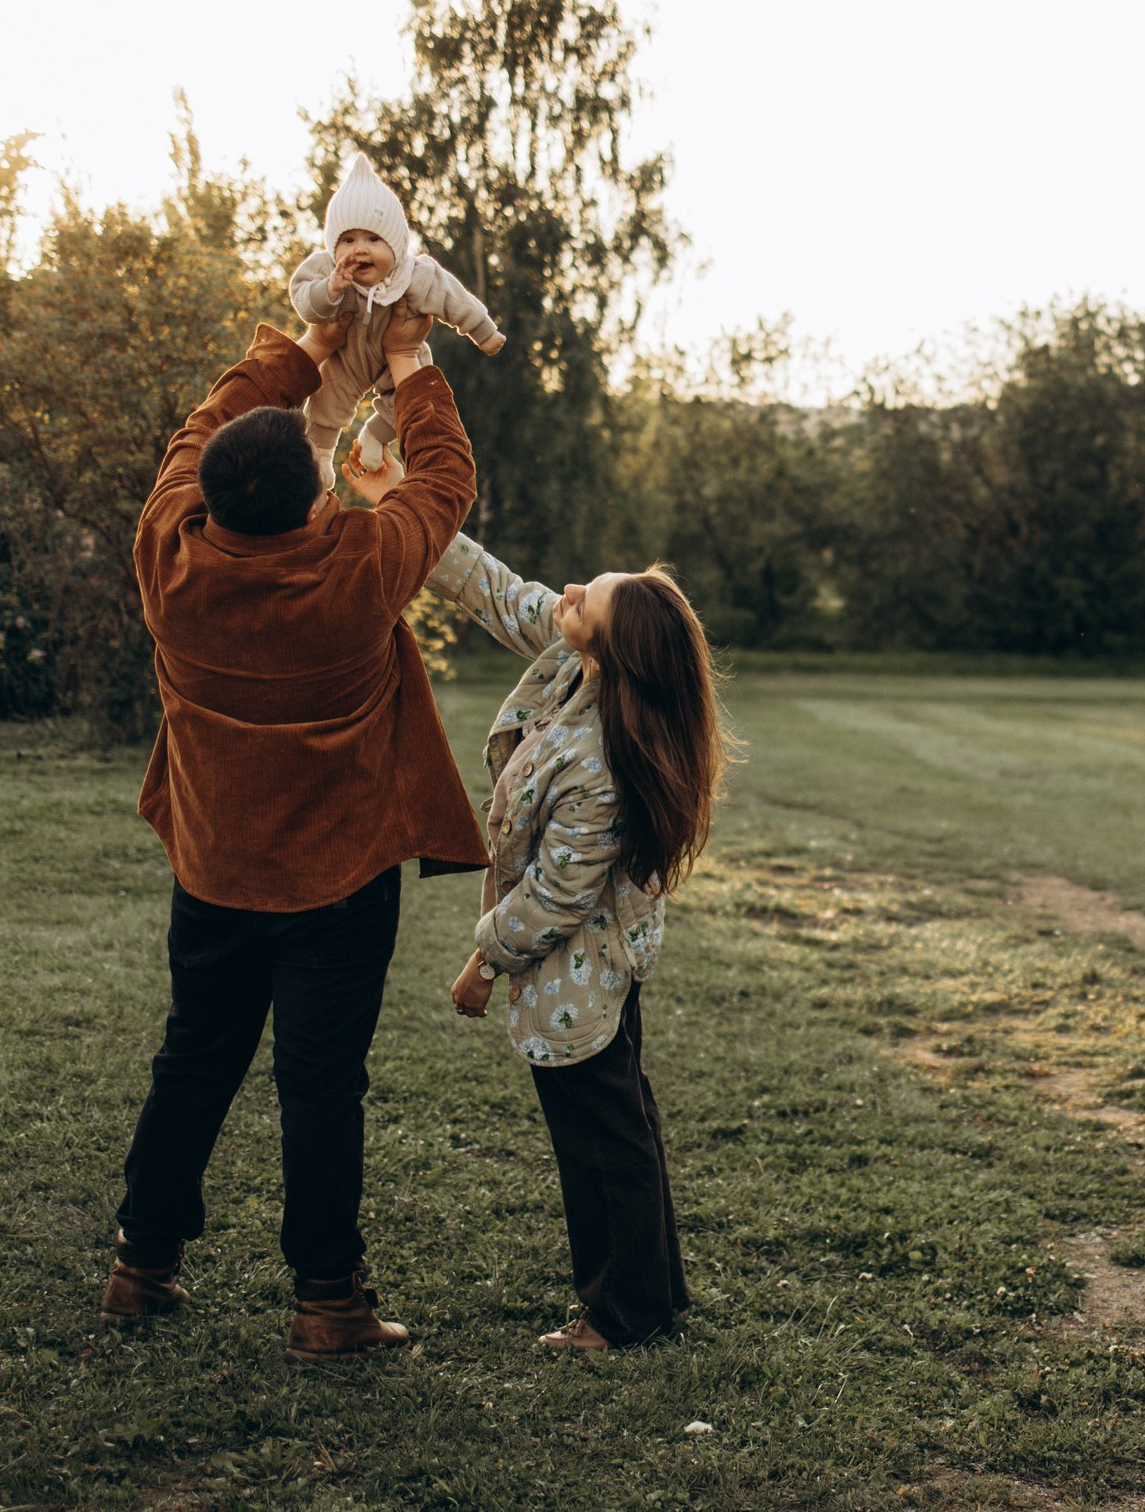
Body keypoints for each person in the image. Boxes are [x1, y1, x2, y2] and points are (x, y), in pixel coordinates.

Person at [104, 302, 490, 1364]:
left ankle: (140, 1266)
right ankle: (328, 1303)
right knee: (321, 1084)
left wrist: (304, 353)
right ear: (314, 493)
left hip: (216, 869)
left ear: (214, 498)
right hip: (338, 881)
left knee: (194, 1058)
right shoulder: (356, 568)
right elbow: (445, 483)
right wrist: (408, 362)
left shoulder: (169, 558)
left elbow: (196, 435)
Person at [350, 452, 725, 1349]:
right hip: (580, 959)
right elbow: (491, 587)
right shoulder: (576, 662)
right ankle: (650, 1296)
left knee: (601, 1138)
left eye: (579, 602)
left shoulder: (601, 765)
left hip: (581, 970)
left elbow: (556, 897)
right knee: (618, 1121)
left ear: (604, 644)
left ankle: (621, 1313)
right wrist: (395, 497)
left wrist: (482, 960)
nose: (560, 596)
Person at [287, 154, 505, 486]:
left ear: (396, 244)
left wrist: (483, 331)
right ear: (333, 247)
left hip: (400, 358)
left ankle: (375, 435)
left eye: (373, 239)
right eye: (348, 240)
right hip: (345, 355)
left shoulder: (414, 275)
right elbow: (303, 301)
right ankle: (320, 456)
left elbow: (453, 299)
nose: (359, 249)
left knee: (410, 397)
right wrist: (329, 291)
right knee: (325, 397)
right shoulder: (325, 270)